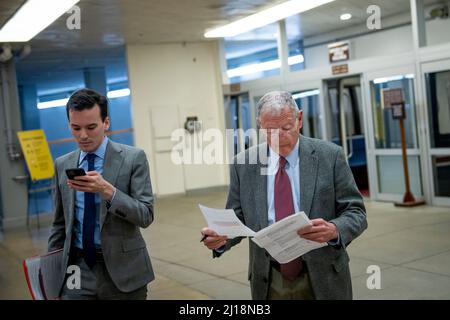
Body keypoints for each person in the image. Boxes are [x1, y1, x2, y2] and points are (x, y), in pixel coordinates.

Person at [201, 91, 367, 300]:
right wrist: (220, 238)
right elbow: (237, 218)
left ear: (299, 119)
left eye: (286, 127)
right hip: (269, 277)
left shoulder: (330, 156)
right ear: (260, 125)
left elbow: (356, 212)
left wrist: (335, 230)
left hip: (323, 273)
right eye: (269, 130)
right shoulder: (244, 164)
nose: (279, 136)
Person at [48, 88, 154, 299]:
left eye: (91, 127)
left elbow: (145, 215)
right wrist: (52, 276)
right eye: (75, 128)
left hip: (123, 271)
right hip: (76, 269)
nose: (83, 135)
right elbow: (60, 224)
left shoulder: (133, 158)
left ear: (106, 123)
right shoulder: (62, 165)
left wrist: (108, 191)